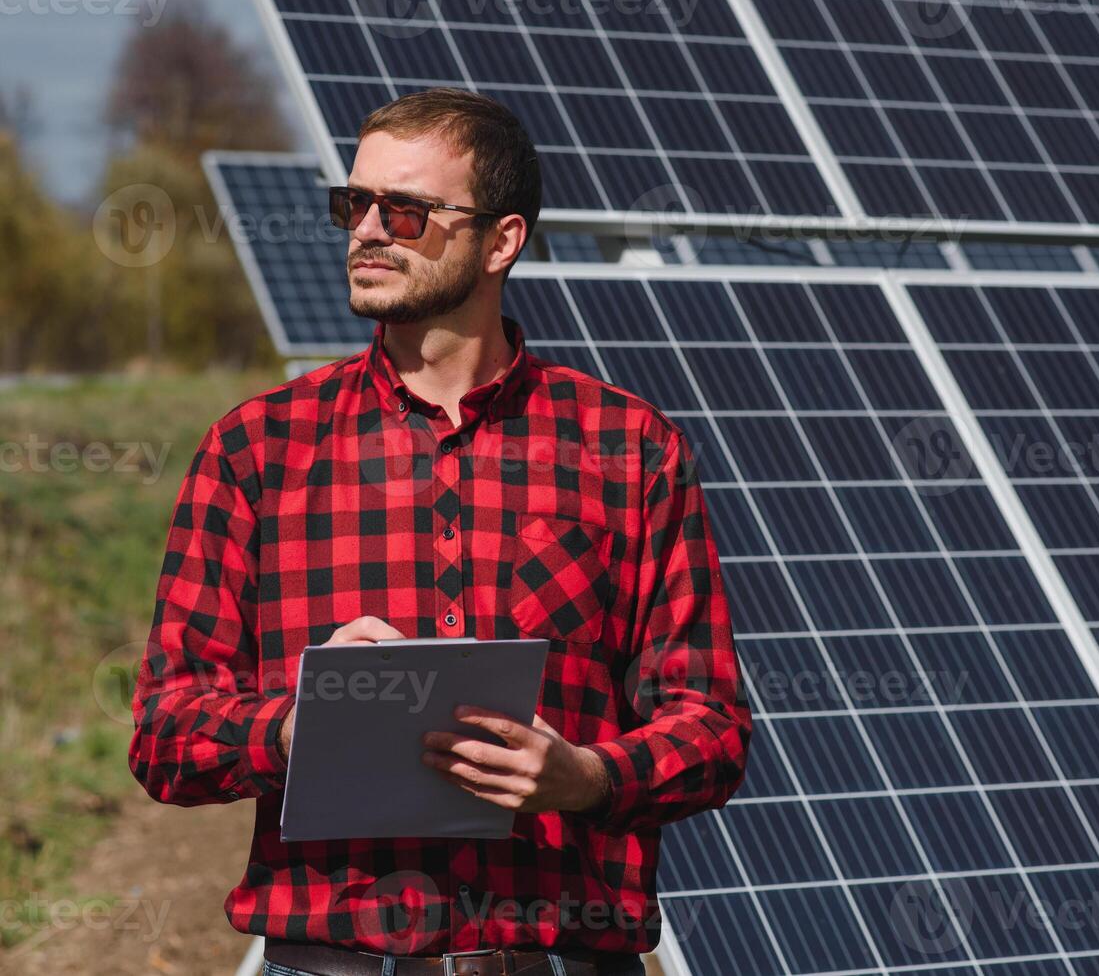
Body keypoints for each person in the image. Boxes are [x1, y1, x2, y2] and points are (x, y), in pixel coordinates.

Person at [127, 87, 751, 976]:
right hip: (333, 958)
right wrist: (301, 728)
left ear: (501, 241)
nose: (367, 230)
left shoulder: (628, 447)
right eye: (356, 204)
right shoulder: (258, 446)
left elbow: (713, 726)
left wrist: (588, 778)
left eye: (407, 211)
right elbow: (162, 730)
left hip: (559, 954)